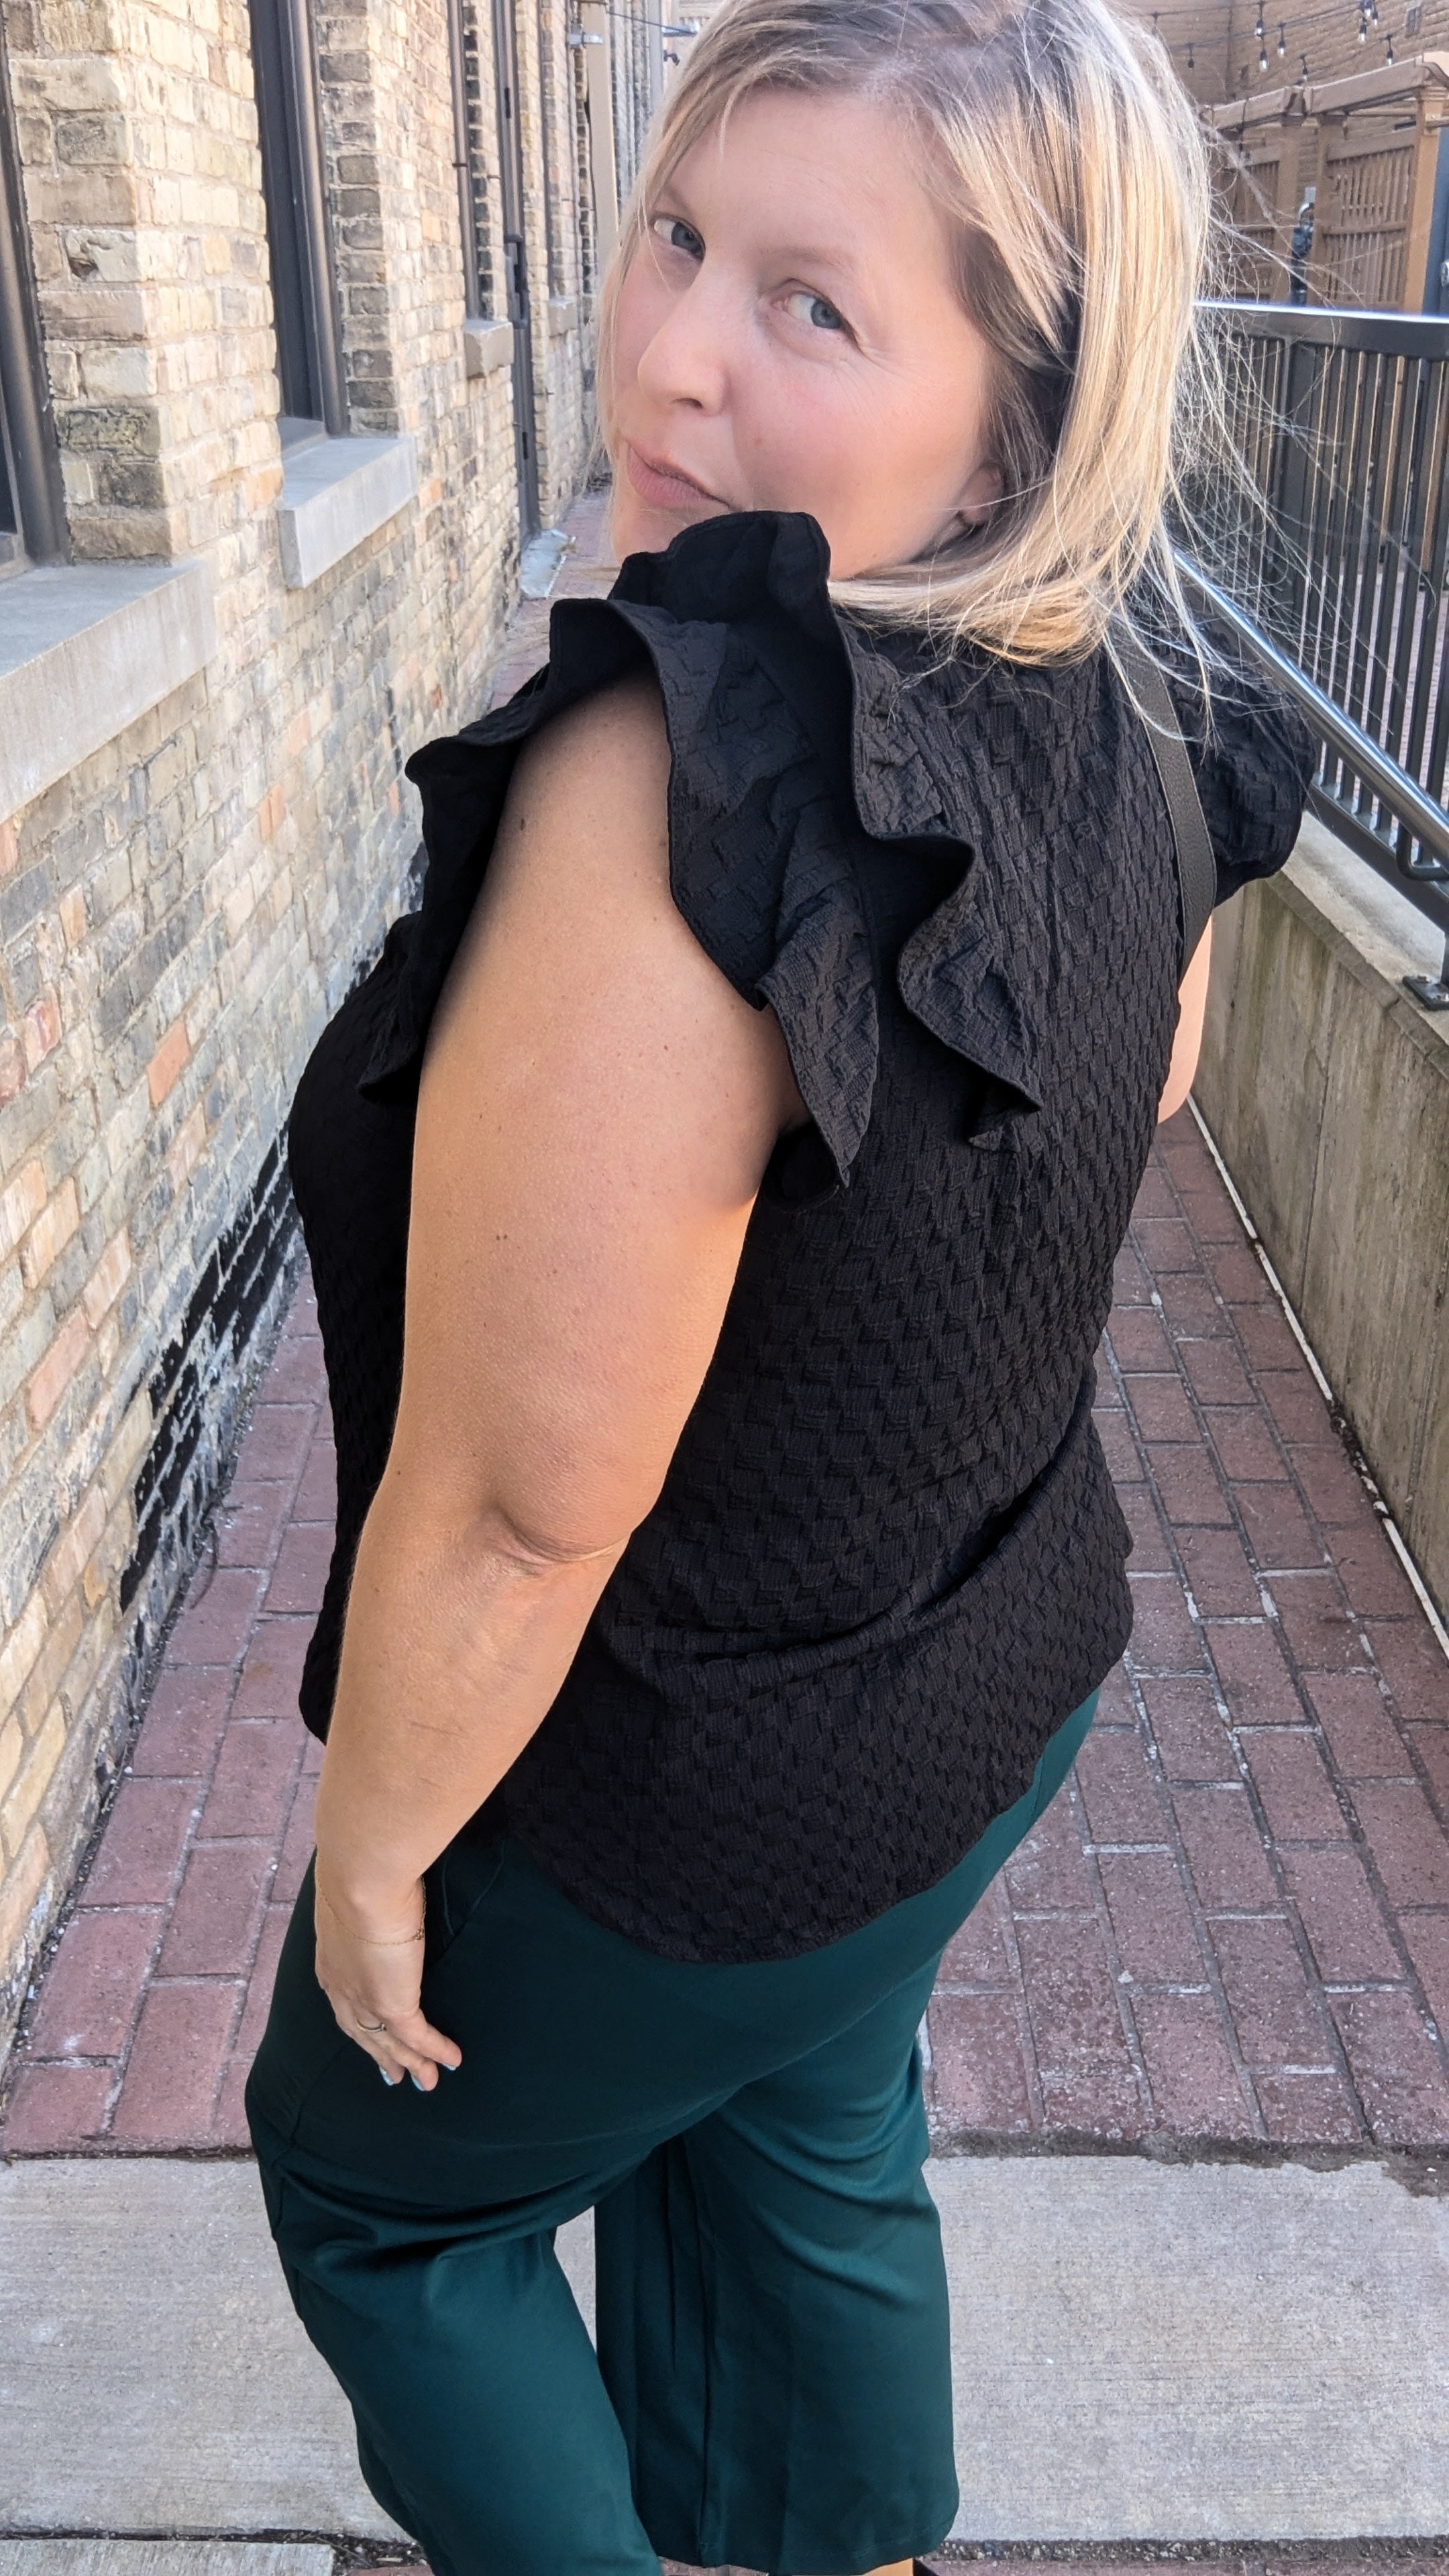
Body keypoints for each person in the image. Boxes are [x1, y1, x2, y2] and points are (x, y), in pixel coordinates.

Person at [246, 2, 1316, 2570]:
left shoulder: (681, 773)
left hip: (690, 1798)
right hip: (983, 1692)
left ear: (1015, 422)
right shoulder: (1132, 686)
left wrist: (373, 1840)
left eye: (811, 305)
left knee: (382, 2200)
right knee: (803, 2111)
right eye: (680, 235)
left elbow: (523, 1509)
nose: (672, 357)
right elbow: (1145, 1072)